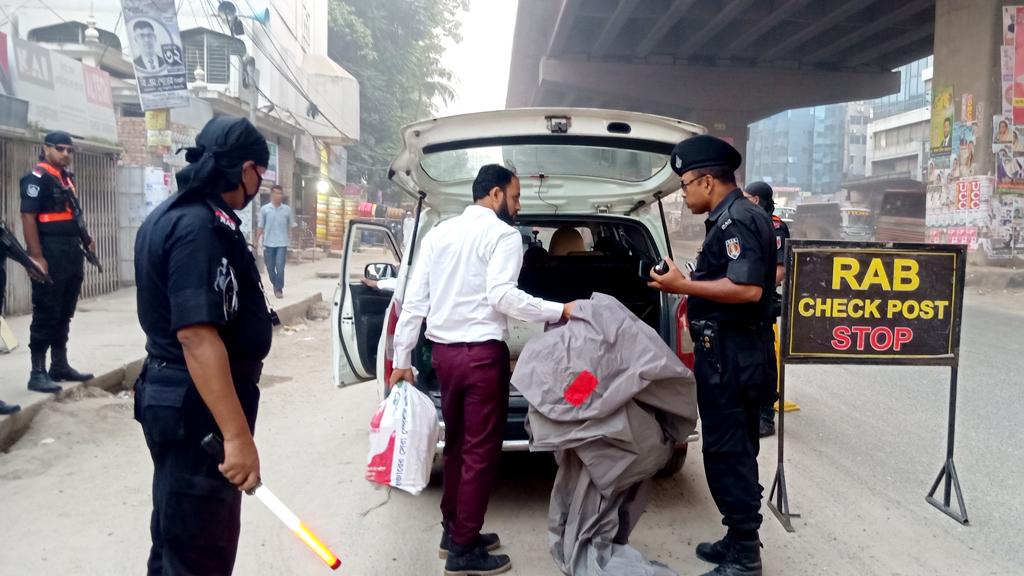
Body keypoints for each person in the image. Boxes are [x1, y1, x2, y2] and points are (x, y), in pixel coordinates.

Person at [389, 164, 577, 576]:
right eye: (515, 196)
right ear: (494, 195)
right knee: (479, 453)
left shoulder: (439, 234)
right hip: (479, 358)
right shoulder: (504, 235)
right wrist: (558, 309)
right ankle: (463, 551)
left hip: (443, 357)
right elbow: (502, 296)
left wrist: (402, 360)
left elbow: (414, 301)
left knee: (456, 446)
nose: (518, 205)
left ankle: (455, 532)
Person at [134, 116, 274, 575]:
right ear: (248, 170)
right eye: (262, 174)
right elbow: (196, 336)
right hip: (196, 410)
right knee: (197, 550)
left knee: (183, 539)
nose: (260, 183)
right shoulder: (197, 227)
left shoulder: (188, 216)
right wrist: (236, 437)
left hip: (188, 402)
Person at [648, 135, 774, 576]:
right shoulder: (729, 218)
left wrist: (683, 287)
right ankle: (737, 536)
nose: (683, 194)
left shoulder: (738, 219)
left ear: (706, 181)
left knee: (730, 452)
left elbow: (748, 289)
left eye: (685, 185)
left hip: (735, 355)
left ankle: (745, 556)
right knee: (728, 451)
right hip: (725, 352)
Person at [20, 131, 94, 394]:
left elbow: (72, 214)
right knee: (46, 311)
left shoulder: (64, 179)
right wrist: (36, 256)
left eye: (69, 150)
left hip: (71, 252)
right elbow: (28, 217)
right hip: (49, 252)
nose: (66, 154)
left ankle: (59, 364)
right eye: (60, 149)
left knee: (65, 310)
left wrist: (86, 240)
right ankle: (37, 371)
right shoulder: (36, 179)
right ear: (46, 149)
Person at [744, 182, 788, 439]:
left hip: (761, 302)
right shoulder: (748, 221)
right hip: (744, 301)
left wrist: (751, 288)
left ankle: (765, 416)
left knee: (764, 359)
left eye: (747, 197)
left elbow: (779, 271)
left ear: (757, 200)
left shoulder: (775, 227)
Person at [256, 185, 293, 298]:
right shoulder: (265, 209)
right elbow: (261, 226)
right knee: (270, 268)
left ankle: (279, 289)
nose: (278, 195)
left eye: (280, 193)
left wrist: (291, 241)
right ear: (272, 194)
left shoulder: (287, 210)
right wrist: (256, 240)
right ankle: (276, 284)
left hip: (282, 243)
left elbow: (291, 226)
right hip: (268, 243)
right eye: (276, 193)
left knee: (280, 267)